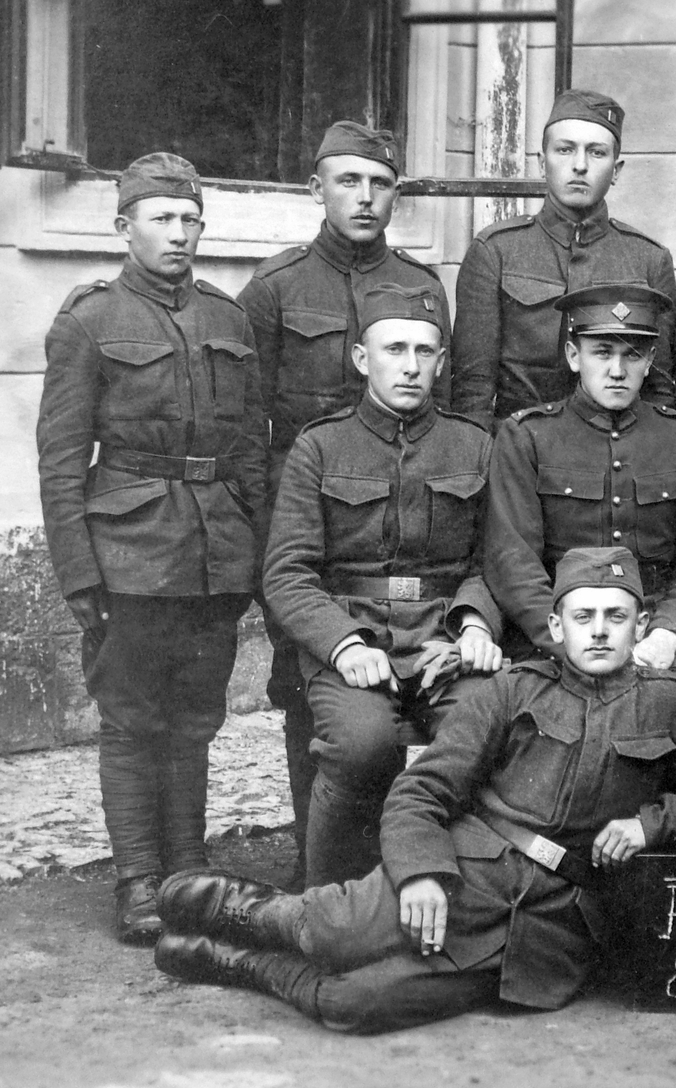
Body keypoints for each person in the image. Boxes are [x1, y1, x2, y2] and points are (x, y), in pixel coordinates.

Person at [153, 549, 676, 1034]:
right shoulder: (513, 690)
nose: (599, 633)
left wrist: (650, 825)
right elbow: (422, 792)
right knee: (332, 934)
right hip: (464, 875)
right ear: (555, 626)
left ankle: (241, 964)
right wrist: (420, 873)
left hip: (554, 923)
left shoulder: (675, 704)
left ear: (641, 625)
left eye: (616, 617)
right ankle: (247, 910)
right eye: (583, 618)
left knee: (351, 1004)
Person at [36, 153, 267, 943]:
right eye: (161, 218)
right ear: (124, 226)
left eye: (189, 218)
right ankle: (139, 879)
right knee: (133, 718)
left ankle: (187, 867)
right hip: (128, 550)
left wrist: (260, 554)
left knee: (196, 719)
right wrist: (76, 571)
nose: (178, 233)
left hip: (216, 551)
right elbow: (62, 457)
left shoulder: (228, 319)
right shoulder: (90, 319)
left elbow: (250, 452)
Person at [239, 121, 452, 888]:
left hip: (400, 521)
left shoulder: (423, 290)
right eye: (348, 181)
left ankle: (397, 862)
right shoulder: (275, 288)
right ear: (317, 188)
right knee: (316, 698)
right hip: (302, 518)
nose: (365, 198)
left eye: (381, 183)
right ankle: (321, 866)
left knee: (400, 708)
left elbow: (443, 423)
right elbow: (246, 426)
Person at [263, 284, 504, 888]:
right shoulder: (319, 446)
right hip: (353, 639)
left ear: (443, 363)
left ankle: (463, 896)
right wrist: (343, 644)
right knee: (362, 743)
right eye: (394, 348)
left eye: (426, 351)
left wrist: (476, 622)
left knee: (486, 730)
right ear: (362, 358)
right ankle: (331, 899)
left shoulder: (474, 446)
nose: (411, 364)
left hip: (441, 637)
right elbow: (287, 573)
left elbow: (495, 559)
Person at [482, 284, 676, 706]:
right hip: (558, 642)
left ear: (651, 361)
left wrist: (667, 633)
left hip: (656, 640)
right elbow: (512, 563)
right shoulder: (528, 437)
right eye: (602, 352)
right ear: (574, 356)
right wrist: (570, 641)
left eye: (633, 354)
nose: (617, 370)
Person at [450, 89, 676, 422]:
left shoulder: (648, 259)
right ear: (543, 163)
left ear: (616, 170)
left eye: (597, 153)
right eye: (565, 150)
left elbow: (660, 390)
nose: (580, 165)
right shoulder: (495, 251)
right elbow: (473, 390)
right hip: (519, 451)